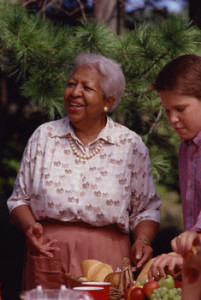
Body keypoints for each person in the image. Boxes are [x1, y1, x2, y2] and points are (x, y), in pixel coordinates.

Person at [7, 52, 161, 291]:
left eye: (86, 87)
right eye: (71, 84)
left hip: (107, 260)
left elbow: (147, 209)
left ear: (107, 101)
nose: (74, 92)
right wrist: (29, 227)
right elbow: (19, 200)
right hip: (49, 253)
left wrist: (142, 240)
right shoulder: (44, 136)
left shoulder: (129, 145)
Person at [148, 53, 201, 280]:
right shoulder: (186, 148)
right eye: (167, 110)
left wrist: (194, 243)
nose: (172, 119)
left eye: (180, 109)